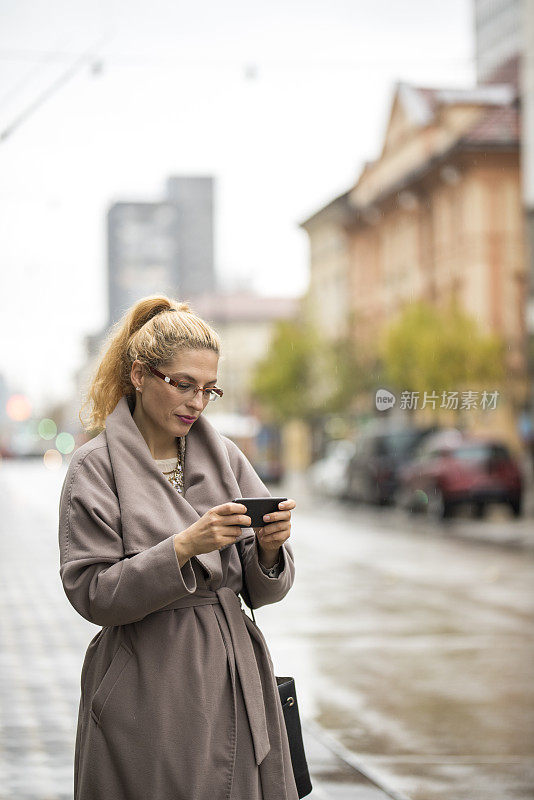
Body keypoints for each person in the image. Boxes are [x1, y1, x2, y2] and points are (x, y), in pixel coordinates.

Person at [58, 295, 299, 800]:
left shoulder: (226, 456)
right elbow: (93, 593)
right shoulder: (94, 467)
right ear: (141, 375)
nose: (196, 402)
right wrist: (185, 546)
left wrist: (271, 551)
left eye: (209, 390)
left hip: (233, 675)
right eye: (183, 385)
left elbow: (264, 589)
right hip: (147, 683)